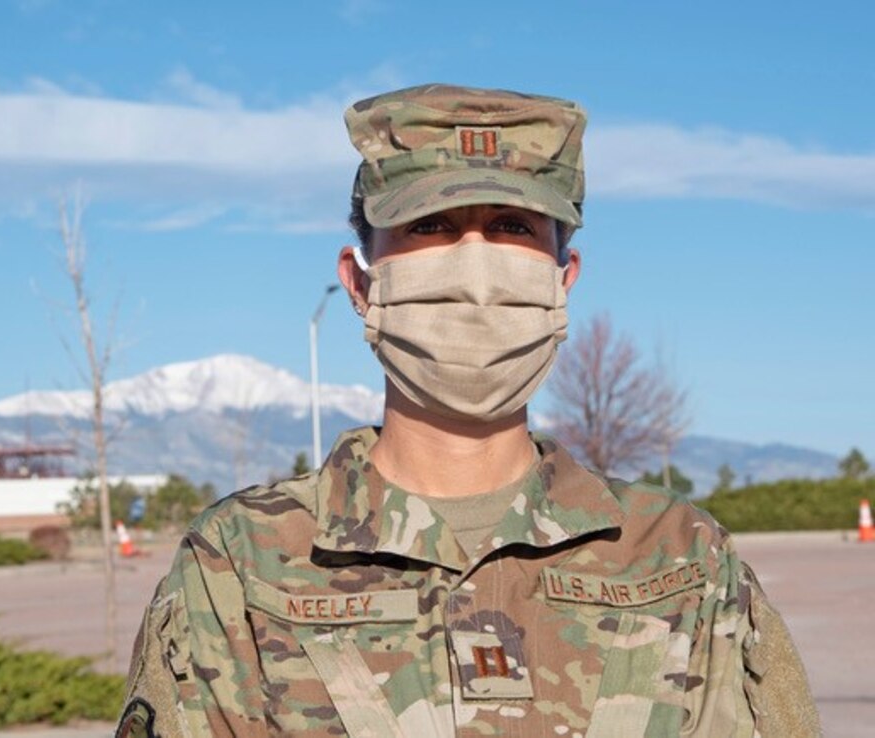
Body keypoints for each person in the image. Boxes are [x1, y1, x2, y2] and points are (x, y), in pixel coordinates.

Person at [117, 84, 820, 737]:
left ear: (563, 278)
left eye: (513, 224)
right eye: (431, 226)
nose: (474, 265)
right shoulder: (244, 563)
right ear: (359, 283)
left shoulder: (679, 560)